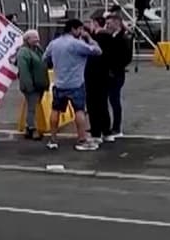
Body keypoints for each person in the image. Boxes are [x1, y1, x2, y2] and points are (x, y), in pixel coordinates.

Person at [42, 18, 103, 151]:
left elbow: (45, 57)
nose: (82, 32)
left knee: (56, 110)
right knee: (79, 111)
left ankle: (53, 139)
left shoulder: (54, 43)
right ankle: (81, 138)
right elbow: (97, 51)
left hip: (59, 83)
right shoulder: (76, 44)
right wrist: (90, 39)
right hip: (76, 83)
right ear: (73, 29)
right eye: (80, 29)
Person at [99, 10, 133, 139]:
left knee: (114, 99)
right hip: (110, 72)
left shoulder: (123, 37)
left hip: (116, 73)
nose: (107, 26)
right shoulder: (113, 36)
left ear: (117, 23)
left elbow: (126, 57)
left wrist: (115, 67)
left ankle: (117, 127)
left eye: (109, 23)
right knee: (110, 99)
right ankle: (109, 126)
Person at [15, 29, 50, 140]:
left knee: (33, 107)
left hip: (39, 84)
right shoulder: (23, 52)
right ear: (27, 39)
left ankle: (29, 127)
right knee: (32, 108)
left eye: (37, 37)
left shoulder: (37, 49)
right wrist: (29, 86)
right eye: (34, 37)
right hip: (31, 86)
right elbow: (24, 71)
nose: (37, 39)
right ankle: (31, 128)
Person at [84, 12, 113, 143]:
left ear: (95, 24)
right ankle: (106, 131)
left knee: (93, 105)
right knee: (103, 103)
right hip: (106, 74)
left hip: (93, 75)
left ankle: (96, 132)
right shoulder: (110, 37)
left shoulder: (94, 39)